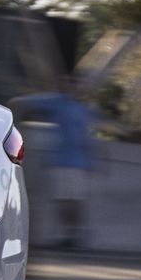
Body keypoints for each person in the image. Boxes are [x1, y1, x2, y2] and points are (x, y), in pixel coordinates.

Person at [12, 88, 95, 250]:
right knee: (62, 200)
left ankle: (77, 233)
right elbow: (32, 101)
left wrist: (92, 162)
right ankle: (66, 234)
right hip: (60, 160)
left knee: (76, 200)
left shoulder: (83, 108)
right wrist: (18, 101)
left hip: (77, 162)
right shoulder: (57, 102)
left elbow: (89, 138)